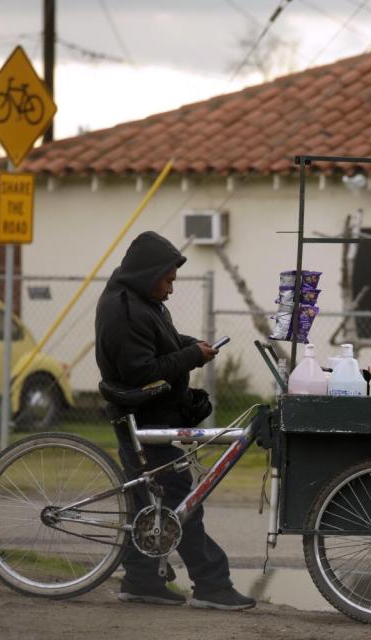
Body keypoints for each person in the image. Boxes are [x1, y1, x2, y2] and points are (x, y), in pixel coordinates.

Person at [95, 230, 255, 611]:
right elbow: (142, 371)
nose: (170, 289)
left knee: (151, 503)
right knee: (181, 500)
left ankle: (142, 581)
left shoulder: (140, 301)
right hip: (143, 423)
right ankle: (213, 585)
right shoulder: (124, 311)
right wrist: (192, 357)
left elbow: (162, 341)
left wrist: (190, 346)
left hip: (152, 421)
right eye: (167, 280)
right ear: (148, 274)